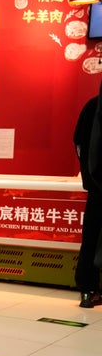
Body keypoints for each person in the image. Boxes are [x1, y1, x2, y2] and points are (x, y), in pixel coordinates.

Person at [73, 94, 102, 308]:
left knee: (91, 237)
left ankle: (87, 291)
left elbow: (78, 141)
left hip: (95, 187)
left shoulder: (92, 104)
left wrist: (87, 172)